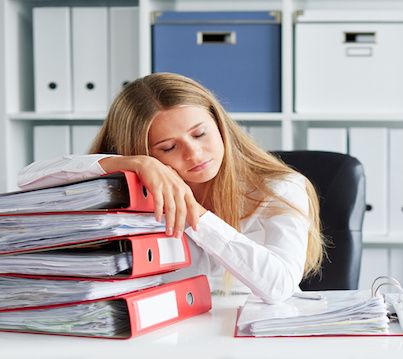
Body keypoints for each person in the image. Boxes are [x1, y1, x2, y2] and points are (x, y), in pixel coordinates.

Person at [17, 72, 325, 303]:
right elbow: (29, 180)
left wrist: (198, 216)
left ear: (220, 125)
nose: (193, 153)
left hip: (252, 333)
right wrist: (130, 164)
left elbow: (279, 287)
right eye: (167, 148)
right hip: (168, 331)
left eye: (200, 133)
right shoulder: (138, 184)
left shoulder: (280, 188)